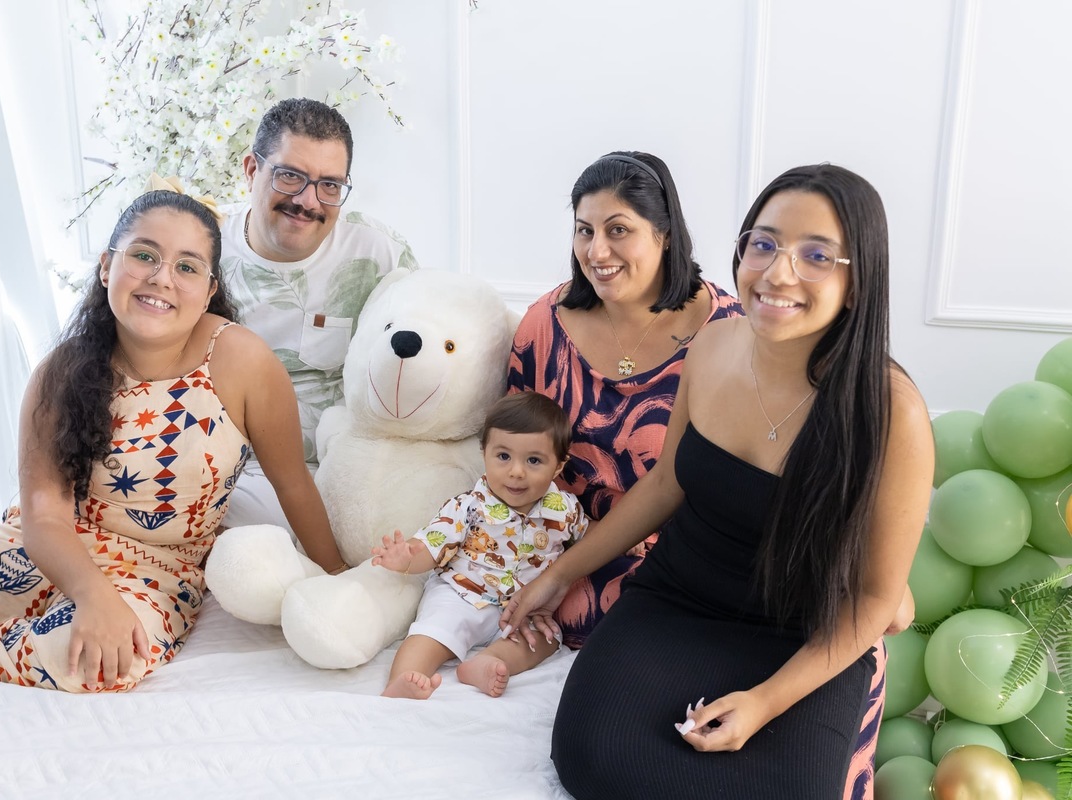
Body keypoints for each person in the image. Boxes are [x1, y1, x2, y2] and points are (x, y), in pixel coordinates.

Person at [501, 164, 934, 798]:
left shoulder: (893, 412)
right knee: (594, 761)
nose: (778, 272)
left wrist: (763, 703)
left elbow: (873, 601)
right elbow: (664, 484)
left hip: (805, 634)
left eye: (816, 255)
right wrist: (560, 574)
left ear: (859, 275)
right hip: (677, 603)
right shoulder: (711, 347)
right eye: (764, 244)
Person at [0, 187, 344, 703]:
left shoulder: (243, 361)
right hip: (41, 548)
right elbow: (43, 514)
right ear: (106, 267)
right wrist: (90, 594)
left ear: (209, 290)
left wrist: (341, 577)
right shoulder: (60, 372)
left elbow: (293, 482)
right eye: (144, 255)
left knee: (94, 662)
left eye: (187, 267)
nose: (161, 277)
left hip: (155, 572)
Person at [507, 151, 744, 648]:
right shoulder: (544, 324)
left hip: (685, 557)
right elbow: (511, 445)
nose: (596, 251)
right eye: (584, 230)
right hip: (561, 543)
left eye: (618, 230)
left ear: (665, 235)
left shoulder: (731, 333)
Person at [219, 97, 418, 533]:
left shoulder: (379, 253)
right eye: (290, 176)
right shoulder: (204, 250)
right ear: (252, 171)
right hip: (227, 474)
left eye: (330, 185)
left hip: (340, 472)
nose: (308, 201)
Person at [370, 392, 588, 700]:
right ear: (484, 452)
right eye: (503, 456)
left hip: (521, 608)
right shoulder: (469, 506)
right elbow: (432, 544)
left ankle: (489, 661)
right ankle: (403, 680)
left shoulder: (563, 509)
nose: (516, 471)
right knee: (433, 631)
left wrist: (629, 545)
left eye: (534, 460)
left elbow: (589, 535)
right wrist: (406, 558)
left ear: (557, 467)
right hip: (463, 594)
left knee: (547, 638)